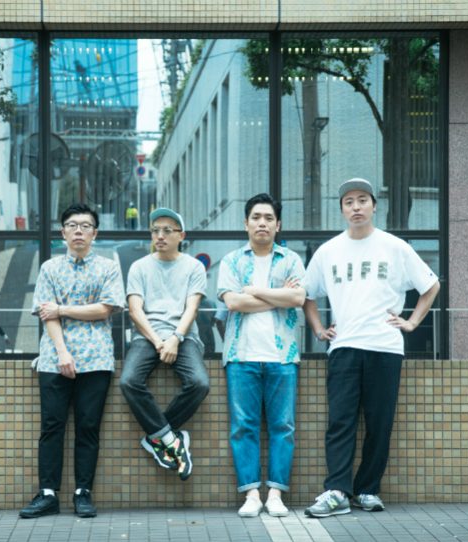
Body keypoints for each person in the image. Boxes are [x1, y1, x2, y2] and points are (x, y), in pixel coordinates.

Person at [302, 178, 440, 517]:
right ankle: (337, 491)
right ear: (342, 210)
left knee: (380, 422)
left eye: (362, 200)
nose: (356, 207)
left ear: (374, 206)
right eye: (349, 202)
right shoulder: (328, 251)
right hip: (344, 346)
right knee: (341, 421)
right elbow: (306, 294)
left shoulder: (395, 247)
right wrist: (318, 328)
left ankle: (367, 489)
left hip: (385, 347)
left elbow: (431, 285)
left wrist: (412, 322)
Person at [19, 203, 125, 519]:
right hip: (54, 359)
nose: (79, 231)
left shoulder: (108, 268)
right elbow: (46, 314)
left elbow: (105, 308)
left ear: (95, 233)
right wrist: (63, 353)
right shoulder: (50, 268)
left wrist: (62, 309)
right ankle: (48, 494)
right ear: (63, 232)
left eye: (85, 226)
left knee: (88, 427)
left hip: (96, 360)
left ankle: (83, 493)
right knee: (51, 426)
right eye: (72, 225)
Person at [218, 193, 306, 518]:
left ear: (277, 225)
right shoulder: (231, 261)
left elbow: (298, 298)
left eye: (269, 218)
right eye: (256, 217)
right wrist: (278, 296)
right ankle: (252, 493)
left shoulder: (291, 259)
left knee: (283, 426)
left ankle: (276, 494)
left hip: (283, 357)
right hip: (241, 357)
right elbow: (233, 303)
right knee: (243, 426)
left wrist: (254, 291)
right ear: (246, 223)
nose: (262, 223)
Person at [119, 207, 209, 481]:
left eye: (167, 230)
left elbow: (192, 308)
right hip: (147, 336)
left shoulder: (193, 267)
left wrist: (175, 338)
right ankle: (170, 439)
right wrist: (159, 341)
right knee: (128, 381)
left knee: (199, 383)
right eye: (155, 230)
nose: (160, 235)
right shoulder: (139, 267)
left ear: (181, 235)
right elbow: (135, 311)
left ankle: (155, 437)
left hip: (183, 335)